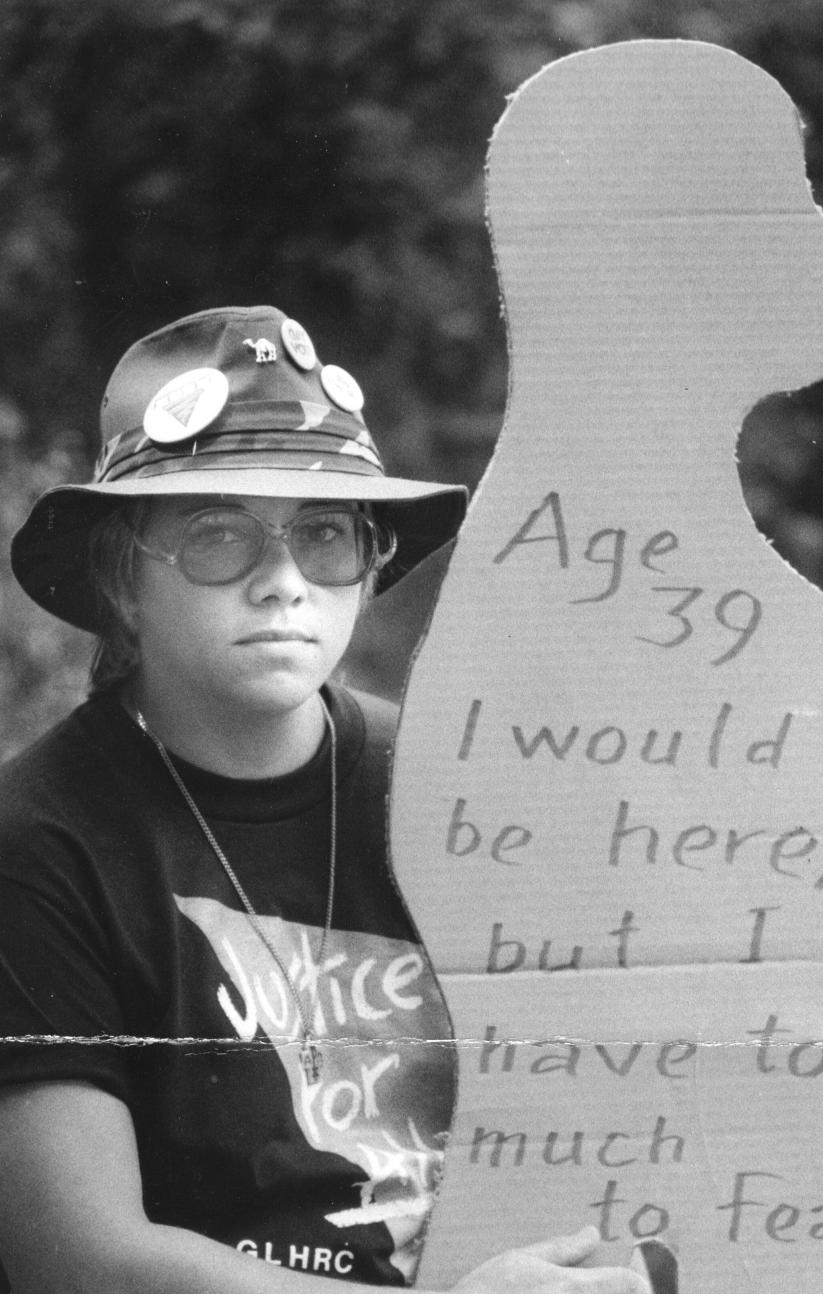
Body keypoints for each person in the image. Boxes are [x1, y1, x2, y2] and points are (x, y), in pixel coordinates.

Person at [0, 306, 652, 1294]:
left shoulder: (461, 791)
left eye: (326, 536)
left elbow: (608, 1122)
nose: (284, 582)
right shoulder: (39, 838)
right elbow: (79, 1257)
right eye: (219, 537)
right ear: (123, 578)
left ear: (370, 564)